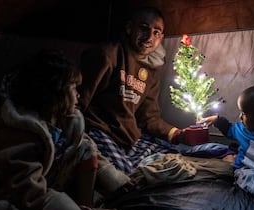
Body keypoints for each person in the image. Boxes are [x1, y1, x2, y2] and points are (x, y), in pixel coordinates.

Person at [0, 49, 131, 210]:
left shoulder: (65, 121)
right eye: (73, 88)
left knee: (86, 148)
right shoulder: (16, 132)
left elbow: (86, 151)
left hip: (51, 184)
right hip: (15, 196)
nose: (78, 94)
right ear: (56, 92)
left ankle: (86, 205)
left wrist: (117, 183)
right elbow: (25, 187)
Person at [79, 7, 185, 174]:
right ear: (129, 28)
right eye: (144, 28)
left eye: (156, 32)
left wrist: (177, 134)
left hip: (128, 137)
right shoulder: (108, 55)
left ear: (161, 38)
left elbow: (149, 117)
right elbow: (79, 99)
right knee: (124, 174)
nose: (150, 37)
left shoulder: (151, 72)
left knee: (175, 158)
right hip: (100, 131)